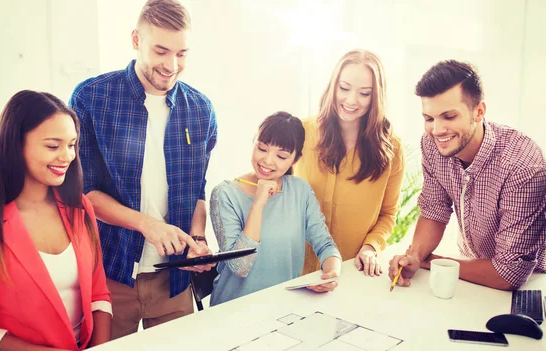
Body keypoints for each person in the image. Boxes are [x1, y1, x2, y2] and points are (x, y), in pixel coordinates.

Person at [68, 0, 217, 338]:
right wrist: (147, 225)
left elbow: (197, 191)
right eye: (161, 51)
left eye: (182, 54)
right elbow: (85, 192)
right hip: (109, 275)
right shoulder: (92, 99)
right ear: (136, 39)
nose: (171, 65)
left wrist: (197, 241)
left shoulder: (201, 110)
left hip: (174, 279)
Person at [0, 90, 112, 351]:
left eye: (71, 144)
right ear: (15, 145)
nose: (67, 156)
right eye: (52, 146)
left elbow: (99, 295)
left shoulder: (79, 207)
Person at [388, 60, 546, 290]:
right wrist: (414, 255)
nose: (437, 130)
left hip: (532, 280)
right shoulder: (433, 144)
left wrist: (431, 262)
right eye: (429, 119)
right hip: (472, 267)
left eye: (449, 117)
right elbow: (434, 209)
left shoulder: (522, 166)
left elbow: (510, 273)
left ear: (479, 111)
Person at [209, 112, 342, 306]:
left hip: (283, 308)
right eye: (262, 148)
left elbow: (326, 245)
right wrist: (258, 204)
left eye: (281, 156)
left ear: (295, 159)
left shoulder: (300, 190)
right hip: (233, 309)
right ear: (254, 142)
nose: (267, 161)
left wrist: (332, 273)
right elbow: (240, 267)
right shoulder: (224, 194)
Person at [294, 49, 404, 277]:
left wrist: (371, 247)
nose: (351, 100)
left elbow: (388, 213)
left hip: (351, 272)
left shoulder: (392, 149)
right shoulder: (301, 133)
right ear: (332, 86)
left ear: (377, 96)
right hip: (295, 269)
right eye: (344, 88)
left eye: (364, 93)